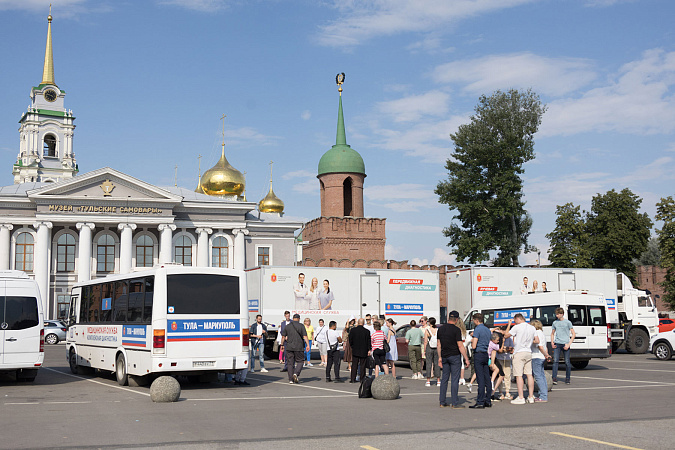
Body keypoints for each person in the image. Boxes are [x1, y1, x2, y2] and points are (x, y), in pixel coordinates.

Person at [437, 310, 470, 409]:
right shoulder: (456, 330)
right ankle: (454, 402)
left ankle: (442, 401)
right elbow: (460, 345)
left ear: (448, 318)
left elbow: (439, 344)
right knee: (455, 379)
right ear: (456, 319)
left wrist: (439, 357)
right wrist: (466, 358)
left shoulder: (441, 329)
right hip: (454, 356)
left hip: (444, 356)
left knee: (444, 379)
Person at [504, 314, 538, 404]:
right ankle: (531, 396)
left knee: (518, 375)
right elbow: (536, 339)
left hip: (519, 352)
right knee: (529, 374)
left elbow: (506, 335)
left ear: (518, 319)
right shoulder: (532, 327)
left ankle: (521, 397)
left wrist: (509, 324)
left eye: (515, 320)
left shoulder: (517, 327)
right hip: (528, 351)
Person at [470, 313, 492, 408]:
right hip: (485, 354)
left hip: (478, 353)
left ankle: (480, 401)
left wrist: (472, 341)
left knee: (480, 378)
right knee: (487, 377)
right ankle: (488, 400)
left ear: (476, 320)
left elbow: (474, 345)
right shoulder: (487, 330)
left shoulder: (477, 329)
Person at [281, 313, 309, 384]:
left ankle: (290, 379)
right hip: (299, 347)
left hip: (289, 347)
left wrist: (282, 345)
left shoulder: (287, 326)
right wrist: (308, 345)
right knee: (300, 361)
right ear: (299, 319)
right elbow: (305, 336)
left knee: (290, 363)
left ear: (293, 319)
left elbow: (283, 337)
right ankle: (296, 373)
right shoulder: (301, 326)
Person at [551, 307, 576, 385]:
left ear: (562, 314)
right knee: (555, 361)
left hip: (565, 344)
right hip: (557, 343)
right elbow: (552, 333)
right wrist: (552, 342)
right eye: (556, 314)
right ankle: (554, 378)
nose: (557, 315)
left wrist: (569, 344)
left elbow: (573, 334)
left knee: (567, 362)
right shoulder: (555, 323)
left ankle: (567, 378)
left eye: (558, 314)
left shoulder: (568, 322)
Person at [531, 319, 551, 402]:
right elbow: (544, 346)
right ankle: (543, 393)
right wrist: (546, 355)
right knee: (542, 376)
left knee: (538, 377)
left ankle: (543, 396)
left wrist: (546, 354)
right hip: (541, 356)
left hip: (536, 356)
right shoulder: (542, 333)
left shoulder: (536, 334)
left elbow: (540, 346)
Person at [349, 318, 371, 383]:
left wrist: (353, 347)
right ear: (363, 323)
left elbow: (350, 340)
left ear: (358, 323)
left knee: (354, 365)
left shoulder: (353, 330)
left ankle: (353, 379)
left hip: (355, 350)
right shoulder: (367, 331)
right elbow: (368, 342)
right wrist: (369, 349)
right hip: (364, 350)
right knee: (363, 365)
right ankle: (362, 379)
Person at [495, 326, 514, 400]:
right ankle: (500, 392)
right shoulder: (498, 338)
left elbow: (511, 348)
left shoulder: (509, 339)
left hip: (507, 358)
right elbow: (498, 349)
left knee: (507, 375)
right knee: (500, 376)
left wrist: (505, 349)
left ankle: (507, 392)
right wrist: (505, 348)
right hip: (499, 358)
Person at [424, 317, 441, 387]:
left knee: (428, 364)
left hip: (429, 347)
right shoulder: (438, 330)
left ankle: (428, 381)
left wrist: (424, 350)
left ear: (429, 323)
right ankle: (438, 381)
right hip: (436, 347)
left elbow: (425, 341)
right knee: (437, 363)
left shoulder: (427, 330)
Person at [488, 332, 505, 401]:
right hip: (492, 360)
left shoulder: (489, 342)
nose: (498, 341)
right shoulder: (493, 345)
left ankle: (492, 392)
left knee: (498, 375)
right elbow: (500, 350)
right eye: (497, 340)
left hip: (488, 359)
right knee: (500, 374)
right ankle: (492, 392)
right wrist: (503, 342)